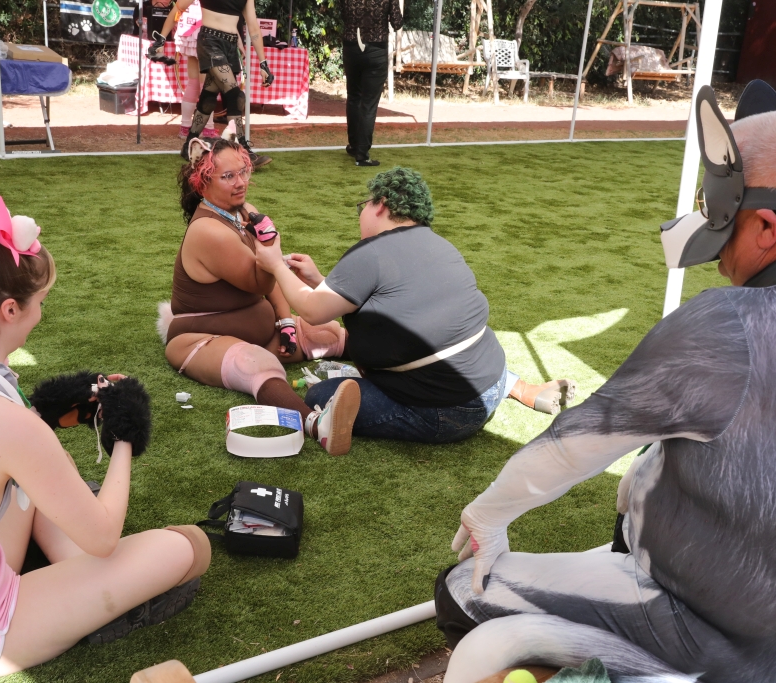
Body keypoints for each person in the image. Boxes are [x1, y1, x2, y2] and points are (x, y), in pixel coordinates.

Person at [433, 83, 776, 683]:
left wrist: (487, 514)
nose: (716, 248)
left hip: (713, 639)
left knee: (461, 589)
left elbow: (571, 449)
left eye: (722, 217)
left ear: (767, 226)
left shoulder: (731, 323)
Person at [0, 195, 212, 682]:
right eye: (40, 303)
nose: (41, 313)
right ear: (9, 309)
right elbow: (104, 537)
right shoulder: (7, 421)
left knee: (39, 485)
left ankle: (77, 587)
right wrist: (123, 433)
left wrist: (45, 415)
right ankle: (93, 607)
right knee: (189, 547)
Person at [253, 166, 577, 444]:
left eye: (363, 205)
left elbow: (312, 311)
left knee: (321, 395)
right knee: (456, 343)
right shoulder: (440, 244)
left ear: (380, 204)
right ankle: (523, 389)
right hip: (491, 376)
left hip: (446, 412)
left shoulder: (370, 252)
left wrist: (276, 265)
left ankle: (515, 390)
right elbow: (389, 302)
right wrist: (318, 279)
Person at [157, 137, 360, 455]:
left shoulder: (244, 211)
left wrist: (286, 321)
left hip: (259, 329)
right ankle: (319, 426)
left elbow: (271, 274)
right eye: (228, 176)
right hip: (199, 339)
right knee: (255, 363)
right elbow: (260, 280)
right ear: (203, 181)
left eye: (243, 172)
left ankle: (403, 366)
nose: (240, 182)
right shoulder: (208, 230)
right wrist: (269, 245)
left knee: (328, 334)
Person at [172, 0, 274, 166]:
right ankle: (243, 151)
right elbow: (180, 7)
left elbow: (253, 27)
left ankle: (188, 144)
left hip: (230, 45)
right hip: (209, 41)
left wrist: (263, 63)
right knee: (235, 96)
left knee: (208, 96)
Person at [339, 0, 403, 166]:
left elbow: (343, 15)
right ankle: (362, 154)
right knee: (369, 103)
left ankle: (354, 145)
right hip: (376, 48)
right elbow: (397, 22)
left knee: (353, 96)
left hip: (351, 47)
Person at [151, 0, 218, 139]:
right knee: (206, 85)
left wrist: (161, 38)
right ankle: (207, 128)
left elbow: (178, 8)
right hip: (204, 30)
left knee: (194, 83)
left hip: (190, 28)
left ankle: (186, 127)